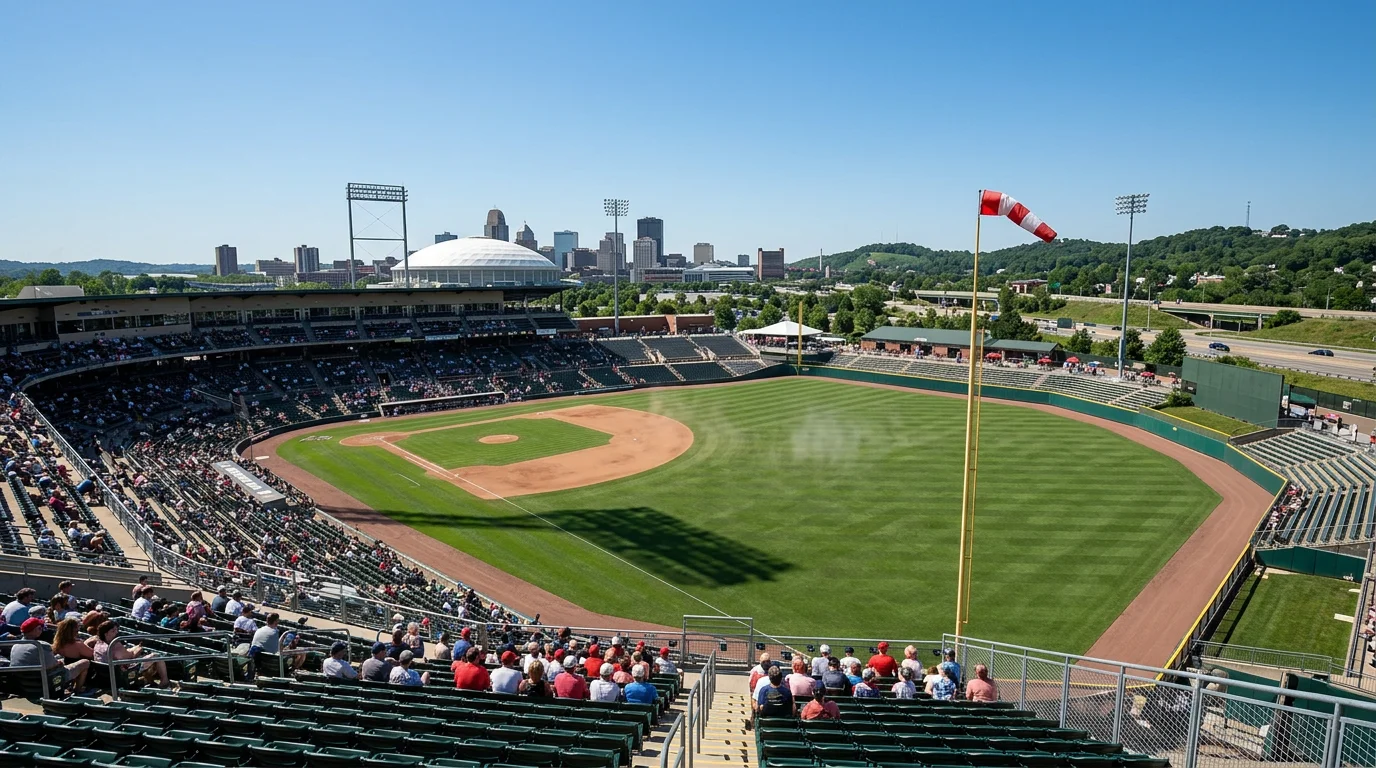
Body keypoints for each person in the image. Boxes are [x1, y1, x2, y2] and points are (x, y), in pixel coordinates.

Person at [13, 617, 88, 693]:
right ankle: (77, 690)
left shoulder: (15, 645)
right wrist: (59, 663)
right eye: (40, 628)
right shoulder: (41, 646)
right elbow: (54, 666)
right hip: (46, 683)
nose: (41, 630)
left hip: (25, 684)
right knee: (85, 662)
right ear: (35, 630)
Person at [92, 619, 170, 687]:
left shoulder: (98, 644)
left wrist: (132, 649)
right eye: (113, 631)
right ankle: (164, 682)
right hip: (122, 675)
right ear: (106, 634)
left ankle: (149, 681)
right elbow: (131, 656)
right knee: (157, 656)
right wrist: (138, 649)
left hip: (106, 676)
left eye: (117, 630)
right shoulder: (115, 645)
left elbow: (122, 655)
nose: (116, 632)